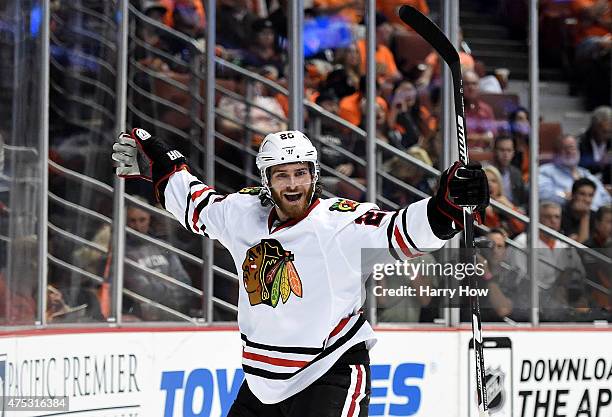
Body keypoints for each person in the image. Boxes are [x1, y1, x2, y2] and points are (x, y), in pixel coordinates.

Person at [112, 127, 489, 415]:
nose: (293, 184)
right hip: (261, 381)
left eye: (301, 173)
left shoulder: (341, 223)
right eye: (282, 175)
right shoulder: (242, 214)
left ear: (314, 175)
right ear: (266, 180)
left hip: (328, 372)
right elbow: (197, 205)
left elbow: (403, 229)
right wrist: (164, 170)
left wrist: (448, 206)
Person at [511, 202, 587, 320]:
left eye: (557, 217)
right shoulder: (522, 242)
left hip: (560, 305)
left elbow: (580, 275)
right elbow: (518, 277)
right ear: (538, 219)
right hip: (528, 306)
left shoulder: (565, 246)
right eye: (547, 216)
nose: (553, 221)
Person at [538, 134, 611, 210]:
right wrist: (569, 199)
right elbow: (541, 194)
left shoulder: (587, 174)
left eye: (573, 148)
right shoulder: (546, 171)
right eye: (565, 148)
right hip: (565, 216)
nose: (569, 151)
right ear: (556, 152)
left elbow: (606, 199)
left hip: (597, 217)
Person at [483, 165, 525, 237]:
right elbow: (492, 229)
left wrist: (510, 207)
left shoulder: (505, 202)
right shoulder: (475, 207)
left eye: (494, 181)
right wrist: (490, 214)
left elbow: (520, 227)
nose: (489, 184)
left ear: (499, 185)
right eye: (485, 181)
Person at [462, 69, 496, 151]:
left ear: (479, 87)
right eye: (467, 84)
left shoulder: (486, 110)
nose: (471, 87)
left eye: (474, 84)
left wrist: (471, 137)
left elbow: (491, 136)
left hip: (482, 155)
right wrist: (481, 137)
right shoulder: (453, 110)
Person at [491, 135, 527, 209]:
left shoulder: (516, 173)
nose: (505, 154)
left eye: (509, 150)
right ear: (494, 151)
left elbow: (523, 202)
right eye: (502, 150)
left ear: (513, 153)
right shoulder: (486, 171)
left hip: (512, 214)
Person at [578, 105, 611, 184]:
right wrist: (600, 164)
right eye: (604, 131)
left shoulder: (610, 141)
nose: (608, 135)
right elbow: (580, 168)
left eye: (610, 131)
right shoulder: (580, 143)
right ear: (594, 127)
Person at [561, 178, 597, 243]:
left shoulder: (595, 216)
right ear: (573, 195)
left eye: (590, 195)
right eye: (582, 194)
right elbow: (581, 246)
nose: (587, 200)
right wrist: (585, 215)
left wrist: (585, 215)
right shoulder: (561, 213)